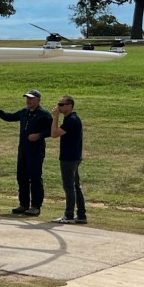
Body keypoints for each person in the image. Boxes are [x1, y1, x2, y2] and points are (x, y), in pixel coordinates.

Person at [0, 89, 52, 216]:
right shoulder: (24, 112)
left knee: (35, 177)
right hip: (23, 149)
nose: (28, 100)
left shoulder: (44, 114)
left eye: (31, 98)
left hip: (35, 150)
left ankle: (36, 206)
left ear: (38, 100)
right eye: (27, 98)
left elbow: (51, 130)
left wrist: (39, 135)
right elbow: (9, 117)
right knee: (22, 176)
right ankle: (23, 204)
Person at [50, 96, 87, 224]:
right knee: (76, 186)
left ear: (69, 106)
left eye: (61, 104)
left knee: (69, 186)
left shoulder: (71, 120)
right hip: (74, 156)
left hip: (69, 158)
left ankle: (69, 215)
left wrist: (55, 117)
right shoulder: (71, 119)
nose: (58, 106)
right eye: (58, 104)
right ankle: (81, 215)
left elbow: (54, 134)